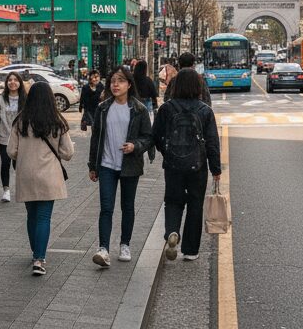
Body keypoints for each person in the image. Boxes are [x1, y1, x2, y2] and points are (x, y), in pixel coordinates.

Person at [152, 68, 222, 262]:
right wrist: (215, 169)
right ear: (198, 87)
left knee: (173, 200)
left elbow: (155, 135)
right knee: (195, 204)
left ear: (176, 86)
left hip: (173, 165)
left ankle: (172, 232)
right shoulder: (205, 111)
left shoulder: (167, 109)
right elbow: (212, 143)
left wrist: (167, 152)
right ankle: (190, 250)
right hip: (197, 166)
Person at [87, 65, 153, 267]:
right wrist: (92, 165)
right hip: (106, 165)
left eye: (121, 81)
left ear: (129, 84)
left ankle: (125, 244)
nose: (116, 85)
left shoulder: (139, 109)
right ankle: (103, 249)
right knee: (106, 207)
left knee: (127, 206)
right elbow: (96, 138)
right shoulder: (103, 108)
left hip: (129, 165)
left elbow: (148, 138)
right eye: (113, 81)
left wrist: (135, 146)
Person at [8, 80, 75, 276]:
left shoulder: (20, 121)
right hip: (49, 175)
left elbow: (11, 151)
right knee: (44, 217)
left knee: (32, 215)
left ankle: (35, 252)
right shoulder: (57, 121)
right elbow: (68, 153)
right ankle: (39, 258)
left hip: (26, 174)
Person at [0, 71, 24, 202]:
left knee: (19, 164)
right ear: (6, 83)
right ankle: (6, 190)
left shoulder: (25, 99)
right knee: (5, 163)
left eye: (15, 80)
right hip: (4, 136)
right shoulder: (0, 98)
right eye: (10, 80)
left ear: (20, 82)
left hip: (21, 138)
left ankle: (21, 188)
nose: (12, 82)